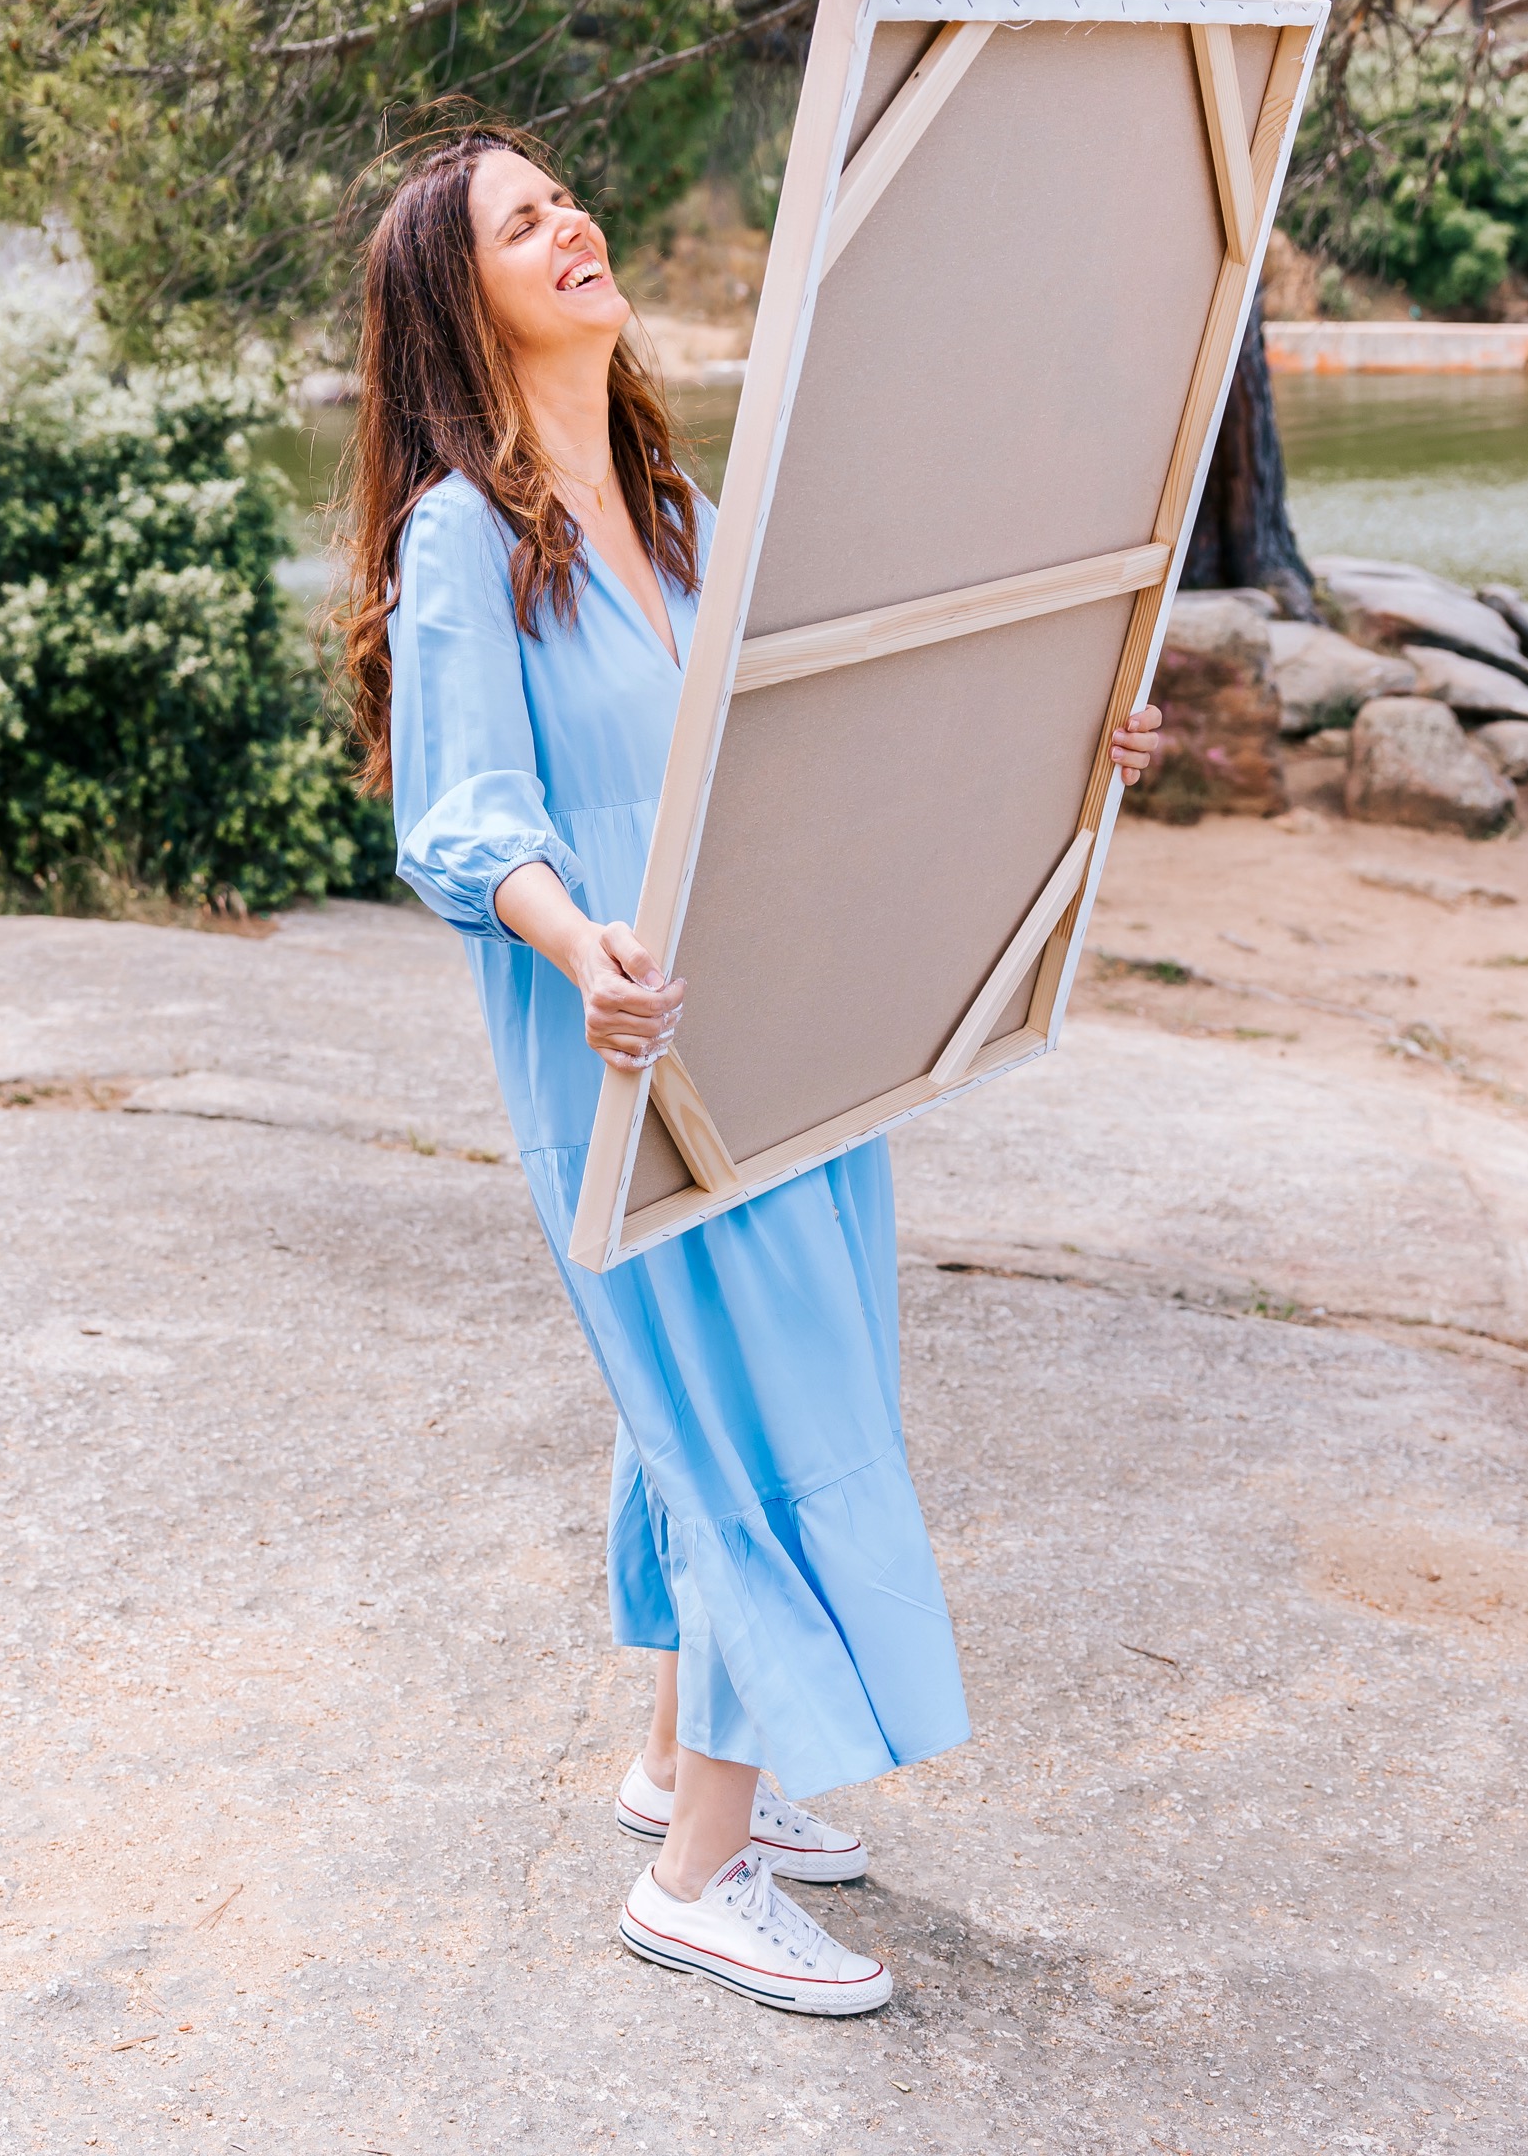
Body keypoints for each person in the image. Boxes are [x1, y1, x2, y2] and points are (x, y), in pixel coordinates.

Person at [339, 125, 1162, 2017]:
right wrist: (578, 946)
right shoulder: (468, 537)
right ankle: (699, 1879)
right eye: (517, 222)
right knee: (753, 1421)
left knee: (720, 1402)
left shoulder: (680, 510)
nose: (569, 226)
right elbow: (465, 815)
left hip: (779, 1038)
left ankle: (673, 1771)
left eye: (565, 198)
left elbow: (830, 745)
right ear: (455, 306)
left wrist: (1065, 740)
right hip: (628, 1059)